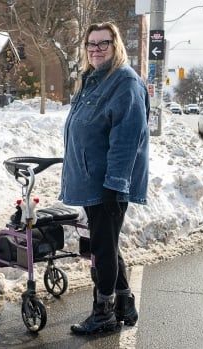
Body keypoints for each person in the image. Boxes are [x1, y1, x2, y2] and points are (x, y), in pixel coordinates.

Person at [59, 22, 150, 335]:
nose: (96, 49)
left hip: (107, 184)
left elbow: (127, 138)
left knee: (101, 249)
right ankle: (124, 303)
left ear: (116, 45)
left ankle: (104, 314)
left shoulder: (124, 81)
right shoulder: (94, 80)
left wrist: (115, 185)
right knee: (106, 244)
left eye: (103, 43)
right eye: (91, 44)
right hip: (92, 179)